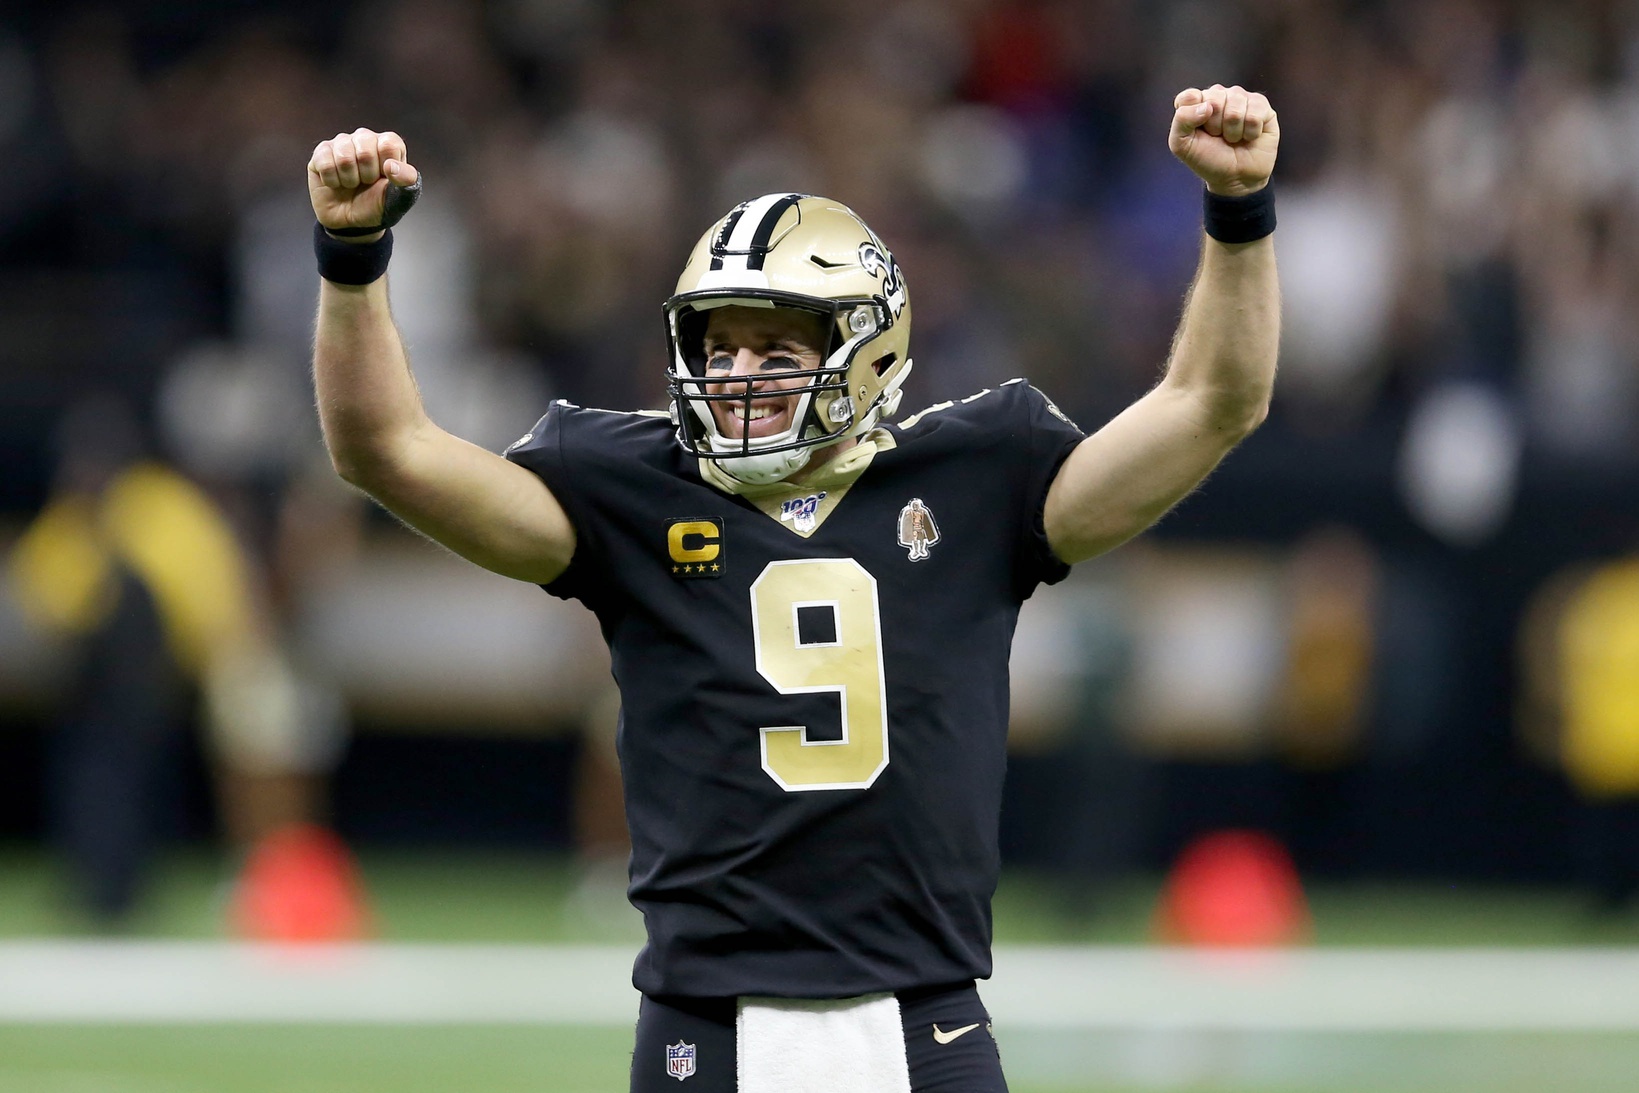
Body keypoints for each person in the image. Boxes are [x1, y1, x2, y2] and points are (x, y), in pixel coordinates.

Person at [306, 83, 1279, 1093]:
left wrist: (1239, 215)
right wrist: (351, 263)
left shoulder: (975, 475)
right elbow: (385, 450)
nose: (738, 376)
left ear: (867, 351)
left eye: (776, 348)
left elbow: (1213, 401)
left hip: (924, 1023)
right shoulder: (635, 491)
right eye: (718, 347)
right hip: (707, 1029)